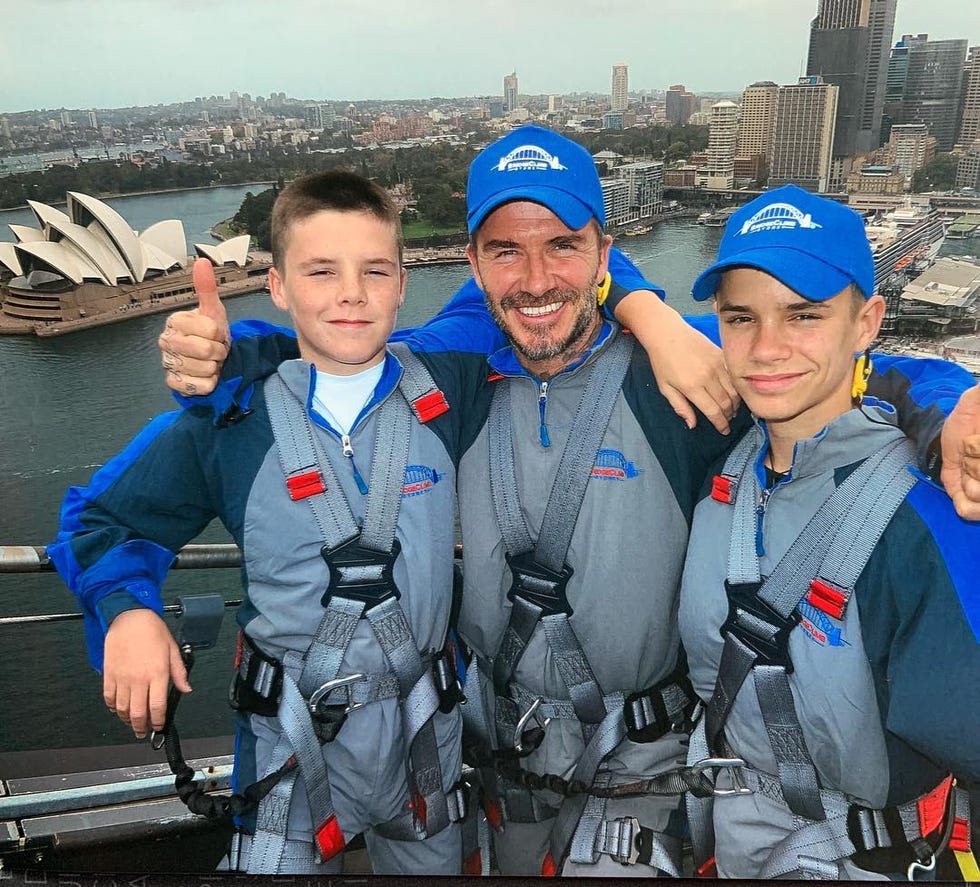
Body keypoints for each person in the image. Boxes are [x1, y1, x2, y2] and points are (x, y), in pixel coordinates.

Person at [152, 126, 980, 877]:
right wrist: (237, 352)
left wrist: (949, 405)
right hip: (502, 760)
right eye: (506, 252)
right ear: (472, 267)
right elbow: (339, 357)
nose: (538, 276)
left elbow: (823, 382)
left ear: (603, 254)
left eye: (564, 246)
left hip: (643, 770)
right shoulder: (454, 385)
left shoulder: (682, 386)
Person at [49, 170, 476, 875]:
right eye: (320, 271)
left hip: (422, 734)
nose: (351, 292)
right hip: (290, 742)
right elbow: (100, 520)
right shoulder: (229, 423)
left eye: (375, 270)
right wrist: (127, 611)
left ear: (404, 282)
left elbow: (543, 279)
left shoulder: (448, 387)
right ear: (276, 286)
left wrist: (647, 312)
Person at [677, 185, 980, 880]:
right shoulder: (725, 471)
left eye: (804, 314)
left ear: (867, 321)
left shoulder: (928, 515)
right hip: (738, 836)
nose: (767, 347)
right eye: (740, 317)